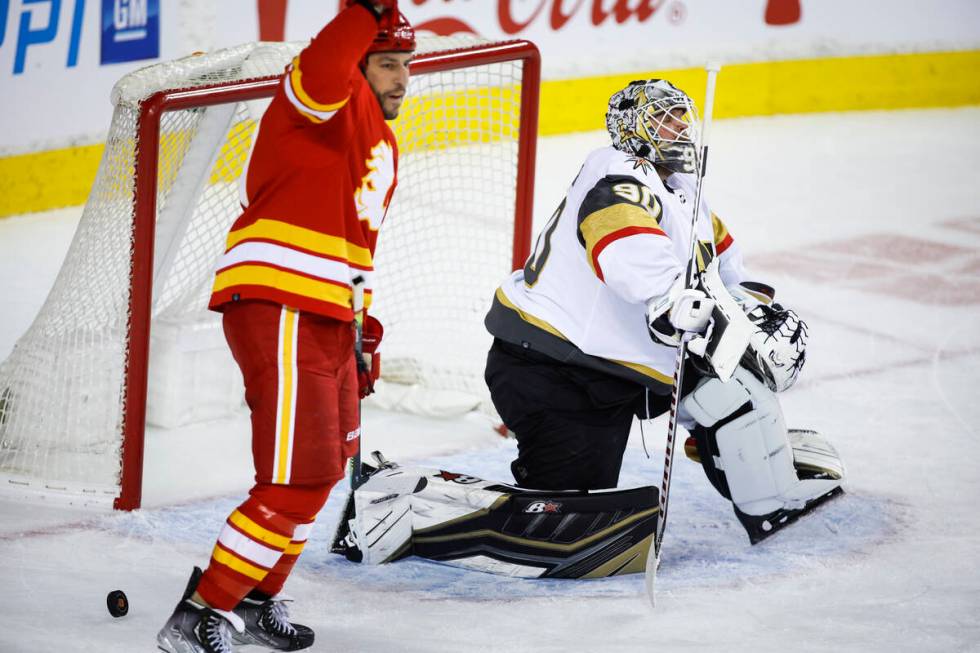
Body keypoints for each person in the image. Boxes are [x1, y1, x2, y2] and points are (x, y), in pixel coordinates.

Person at [484, 79, 844, 546]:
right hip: (556, 370)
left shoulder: (681, 188)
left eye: (680, 118)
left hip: (615, 363)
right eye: (663, 118)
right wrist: (670, 299)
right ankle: (441, 511)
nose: (678, 128)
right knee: (565, 516)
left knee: (733, 388)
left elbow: (722, 263)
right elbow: (623, 245)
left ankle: (767, 491)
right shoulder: (619, 176)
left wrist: (751, 308)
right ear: (631, 130)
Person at [156, 3, 414, 652]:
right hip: (282, 303)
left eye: (406, 65)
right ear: (358, 63)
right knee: (293, 476)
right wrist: (365, 9)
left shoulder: (383, 142)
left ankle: (254, 595)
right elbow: (328, 61)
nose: (402, 79)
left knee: (321, 473)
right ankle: (199, 611)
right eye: (387, 63)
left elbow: (354, 244)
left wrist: (361, 325)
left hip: (329, 316)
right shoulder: (321, 94)